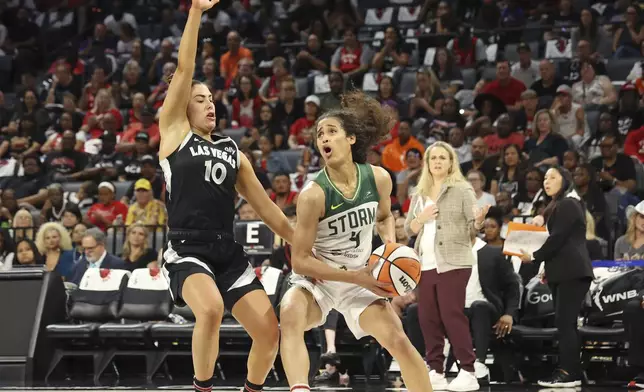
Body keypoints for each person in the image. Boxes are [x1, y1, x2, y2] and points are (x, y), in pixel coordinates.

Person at [157, 2, 295, 392]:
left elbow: (270, 210)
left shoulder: (234, 152)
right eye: (200, 99)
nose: (209, 104)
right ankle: (203, 389)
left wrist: (300, 240)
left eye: (212, 99)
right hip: (187, 247)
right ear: (183, 106)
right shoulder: (173, 134)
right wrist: (197, 12)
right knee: (212, 309)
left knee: (270, 333)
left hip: (227, 251)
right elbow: (184, 69)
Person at [280, 91, 432, 392]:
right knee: (290, 314)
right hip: (319, 279)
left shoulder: (378, 178)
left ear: (350, 139)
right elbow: (299, 260)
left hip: (360, 280)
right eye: (319, 134)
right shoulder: (313, 195)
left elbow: (385, 217)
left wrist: (389, 245)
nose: (324, 138)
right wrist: (355, 276)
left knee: (399, 340)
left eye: (331, 131)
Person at [404, 141, 488, 391]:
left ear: (451, 162)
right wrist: (421, 218)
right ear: (427, 163)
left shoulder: (462, 189)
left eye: (443, 157)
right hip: (425, 264)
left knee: (452, 316)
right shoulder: (418, 194)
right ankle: (436, 370)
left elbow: (473, 227)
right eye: (433, 158)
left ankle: (468, 371)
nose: (438, 162)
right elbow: (409, 228)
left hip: (454, 261)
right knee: (428, 318)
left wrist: (480, 221)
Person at [519, 166, 594, 387]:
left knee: (565, 322)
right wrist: (547, 268)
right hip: (563, 271)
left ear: (566, 180)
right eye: (545, 178)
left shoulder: (569, 203)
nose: (547, 181)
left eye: (553, 177)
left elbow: (557, 239)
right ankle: (571, 370)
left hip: (573, 271)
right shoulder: (561, 205)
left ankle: (569, 372)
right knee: (564, 323)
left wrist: (534, 257)